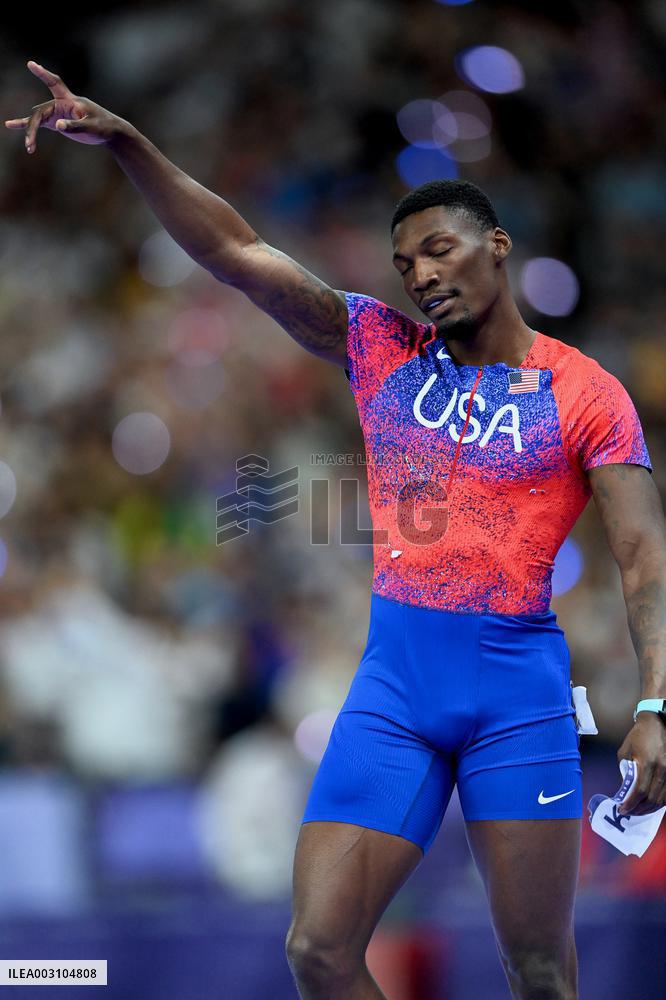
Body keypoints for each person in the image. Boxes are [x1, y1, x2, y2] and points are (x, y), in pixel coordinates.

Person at [7, 61, 666, 1000]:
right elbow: (237, 253)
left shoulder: (586, 392)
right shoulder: (381, 351)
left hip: (517, 699)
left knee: (540, 970)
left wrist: (655, 705)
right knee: (317, 950)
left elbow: (645, 559)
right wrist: (130, 147)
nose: (423, 275)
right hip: (393, 690)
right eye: (406, 265)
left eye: (440, 250)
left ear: (499, 246)